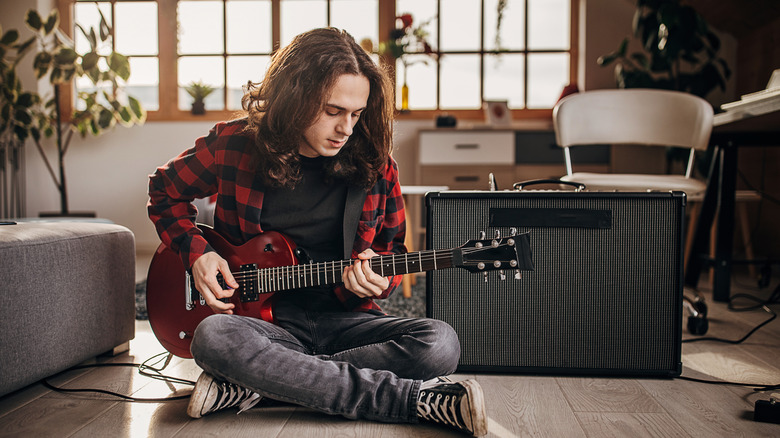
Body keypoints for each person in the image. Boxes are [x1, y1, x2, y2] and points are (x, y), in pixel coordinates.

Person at [147, 28, 488, 436]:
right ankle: (410, 401)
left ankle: (262, 385)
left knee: (440, 343)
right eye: (333, 111)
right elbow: (164, 189)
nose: (346, 128)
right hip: (262, 327)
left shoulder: (378, 166)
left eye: (356, 114)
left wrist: (378, 276)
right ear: (296, 96)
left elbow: (392, 251)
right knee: (213, 337)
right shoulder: (234, 144)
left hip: (345, 322)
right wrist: (198, 252)